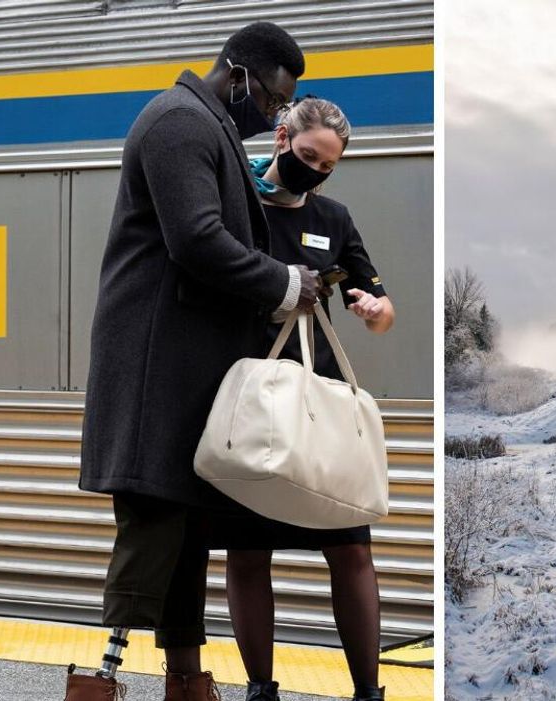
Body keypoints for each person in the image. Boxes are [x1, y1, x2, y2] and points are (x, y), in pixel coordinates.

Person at [75, 22, 325, 701]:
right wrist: (283, 282)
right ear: (239, 74)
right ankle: (98, 681)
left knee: (184, 535)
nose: (273, 114)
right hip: (158, 371)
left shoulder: (204, 124)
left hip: (184, 372)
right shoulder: (179, 123)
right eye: (272, 99)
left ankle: (185, 680)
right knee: (150, 533)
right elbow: (196, 237)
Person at [219, 97, 394, 701]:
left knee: (348, 547)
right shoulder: (233, 204)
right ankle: (260, 689)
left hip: (317, 401)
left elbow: (380, 306)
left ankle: (368, 692)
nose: (315, 171)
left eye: (327, 165)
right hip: (253, 401)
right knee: (247, 551)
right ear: (281, 136)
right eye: (307, 155)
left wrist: (373, 312)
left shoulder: (335, 219)